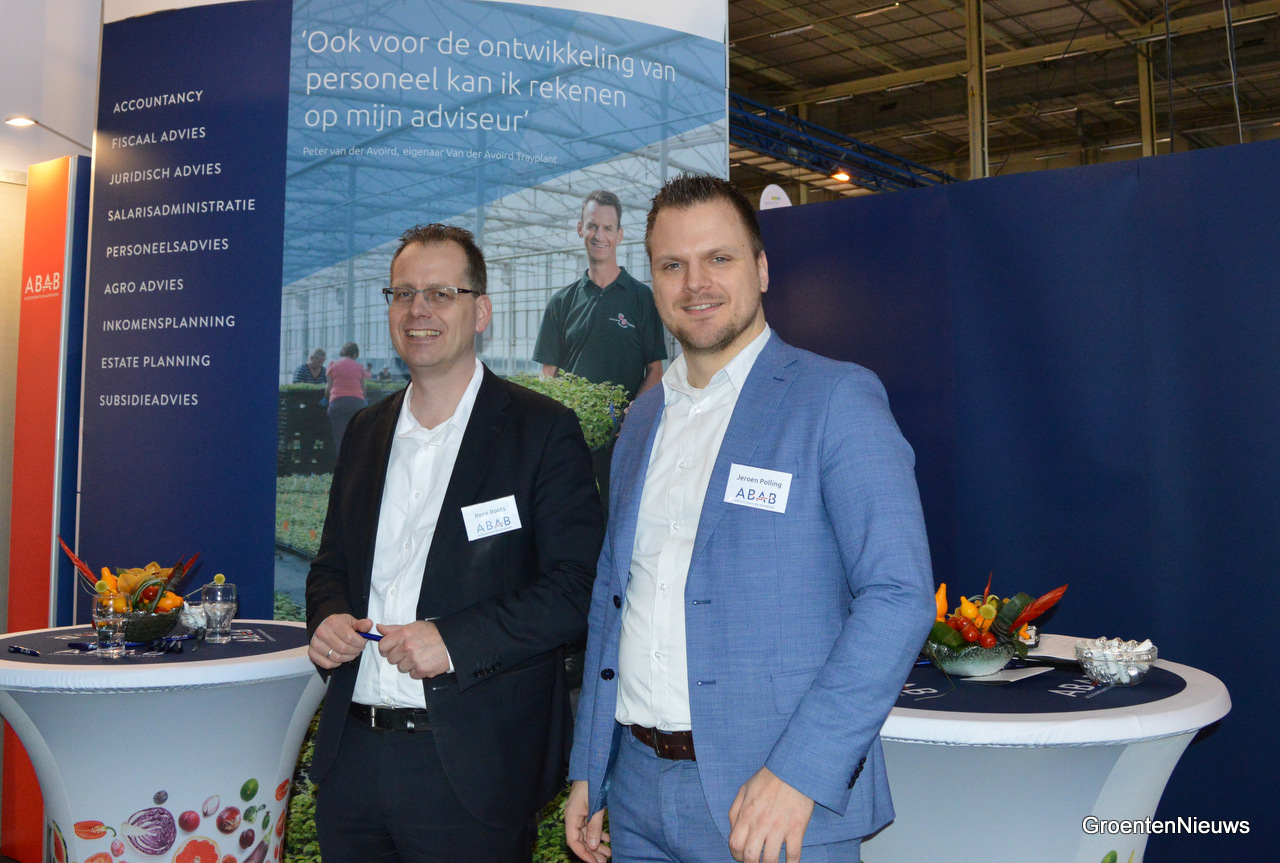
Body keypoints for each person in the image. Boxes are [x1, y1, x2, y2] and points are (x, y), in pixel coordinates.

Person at [565, 175, 936, 863]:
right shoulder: (642, 420)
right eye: (672, 265)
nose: (695, 283)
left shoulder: (835, 400)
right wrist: (592, 763)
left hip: (773, 803)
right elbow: (615, 596)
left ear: (761, 269)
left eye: (719, 258)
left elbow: (898, 595)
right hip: (636, 797)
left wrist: (800, 771)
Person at [306, 223, 604, 863]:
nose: (419, 310)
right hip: (352, 760)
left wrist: (455, 641)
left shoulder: (541, 430)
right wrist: (328, 616)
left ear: (481, 311)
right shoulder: (365, 432)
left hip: (472, 767)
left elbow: (577, 588)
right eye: (403, 294)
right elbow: (330, 565)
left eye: (441, 293)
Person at [533, 189, 666, 401]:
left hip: (624, 422)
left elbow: (655, 371)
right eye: (592, 226)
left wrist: (633, 414)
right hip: (571, 421)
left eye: (607, 228)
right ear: (580, 229)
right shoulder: (561, 302)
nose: (599, 236)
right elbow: (548, 374)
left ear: (619, 234)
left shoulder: (642, 298)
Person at [324, 341, 369, 456]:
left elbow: (329, 388)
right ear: (355, 354)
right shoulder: (359, 367)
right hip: (357, 404)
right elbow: (363, 388)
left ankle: (342, 462)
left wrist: (325, 399)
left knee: (340, 436)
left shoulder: (332, 365)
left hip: (337, 403)